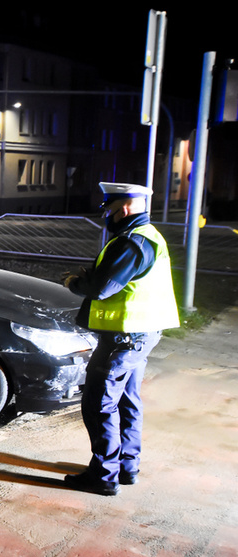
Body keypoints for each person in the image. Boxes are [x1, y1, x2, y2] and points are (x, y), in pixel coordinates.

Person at [63, 182, 179, 495]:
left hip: (123, 339)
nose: (106, 215)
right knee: (128, 401)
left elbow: (103, 288)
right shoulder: (149, 236)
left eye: (108, 209)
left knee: (98, 404)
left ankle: (103, 475)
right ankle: (127, 466)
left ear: (124, 208)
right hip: (140, 336)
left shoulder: (131, 243)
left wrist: (76, 282)